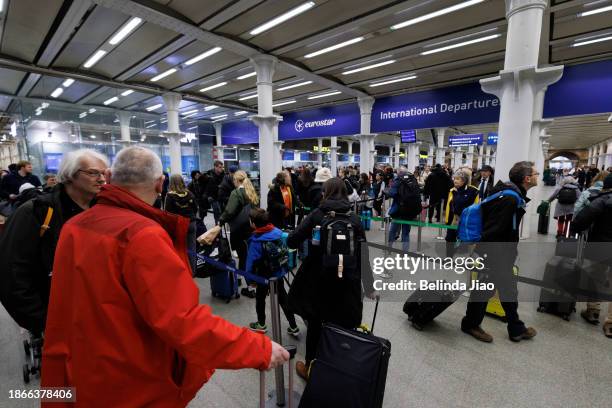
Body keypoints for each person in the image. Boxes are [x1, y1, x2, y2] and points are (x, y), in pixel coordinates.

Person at [41, 147, 288, 407]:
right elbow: (183, 321)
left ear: (110, 177)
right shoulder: (141, 235)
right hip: (131, 383)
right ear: (160, 184)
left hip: (76, 373)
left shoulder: (73, 226)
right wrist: (257, 349)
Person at [0, 149, 108, 337]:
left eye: (104, 173)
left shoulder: (104, 211)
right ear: (69, 175)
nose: (101, 179)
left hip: (96, 318)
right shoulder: (37, 212)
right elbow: (12, 271)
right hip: (55, 319)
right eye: (93, 173)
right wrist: (41, 321)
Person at [286, 178, 375, 380]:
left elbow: (293, 239)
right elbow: (364, 253)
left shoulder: (318, 214)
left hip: (319, 281)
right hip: (348, 280)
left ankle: (310, 367)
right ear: (345, 193)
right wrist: (369, 286)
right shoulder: (354, 218)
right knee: (344, 324)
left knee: (316, 323)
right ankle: (341, 365)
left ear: (324, 193)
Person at [461, 161, 539, 343]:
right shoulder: (510, 199)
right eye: (536, 174)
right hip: (493, 254)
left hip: (502, 253)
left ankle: (516, 328)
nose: (537, 177)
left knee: (508, 290)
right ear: (527, 178)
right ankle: (470, 324)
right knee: (483, 291)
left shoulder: (511, 194)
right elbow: (494, 228)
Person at [246, 208, 300, 337]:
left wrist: (250, 281)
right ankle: (293, 326)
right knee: (283, 299)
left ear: (253, 223)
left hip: (263, 276)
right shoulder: (277, 232)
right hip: (279, 273)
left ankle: (261, 324)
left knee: (260, 299)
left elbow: (250, 264)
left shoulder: (256, 241)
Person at [571, 173, 612, 338]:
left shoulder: (602, 200)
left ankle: (593, 311)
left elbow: (582, 219)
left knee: (596, 277)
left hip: (600, 245)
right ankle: (610, 324)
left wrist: (575, 229)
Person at [219, 170, 260, 297]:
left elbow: (229, 211)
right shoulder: (252, 191)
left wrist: (220, 221)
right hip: (251, 229)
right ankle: (249, 283)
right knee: (249, 256)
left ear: (236, 180)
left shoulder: (236, 193)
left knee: (242, 257)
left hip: (239, 230)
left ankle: (249, 286)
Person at [165, 174, 199, 275]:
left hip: (178, 225)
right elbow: (195, 208)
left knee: (179, 248)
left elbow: (168, 213)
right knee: (192, 248)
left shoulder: (170, 196)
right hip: (191, 222)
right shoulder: (189, 194)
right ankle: (192, 271)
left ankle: (181, 271)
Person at [444, 170, 479, 256]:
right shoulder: (452, 191)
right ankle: (449, 257)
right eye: (454, 178)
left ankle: (470, 259)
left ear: (464, 180)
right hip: (453, 221)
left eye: (458, 179)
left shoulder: (473, 191)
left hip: (466, 221)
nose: (455, 180)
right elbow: (449, 206)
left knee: (469, 240)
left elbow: (476, 207)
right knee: (449, 239)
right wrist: (447, 220)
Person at [387, 167, 422, 253]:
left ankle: (389, 249)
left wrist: (388, 191)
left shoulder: (398, 180)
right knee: (406, 233)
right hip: (410, 211)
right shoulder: (413, 179)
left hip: (398, 210)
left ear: (399, 172)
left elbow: (392, 193)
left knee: (393, 231)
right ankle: (404, 252)